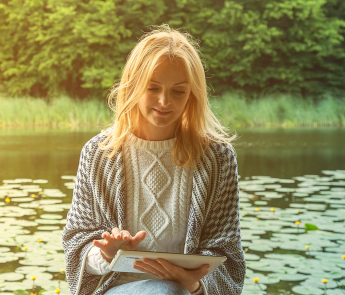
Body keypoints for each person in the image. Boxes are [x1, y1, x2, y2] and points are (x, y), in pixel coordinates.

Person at [62, 24, 246, 295]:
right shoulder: (99, 153)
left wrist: (194, 284)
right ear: (134, 86)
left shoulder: (217, 158)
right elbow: (76, 243)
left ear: (192, 95)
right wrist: (107, 254)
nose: (164, 101)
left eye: (178, 91)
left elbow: (227, 255)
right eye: (153, 88)